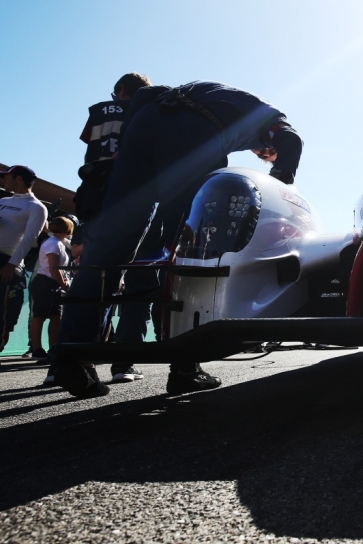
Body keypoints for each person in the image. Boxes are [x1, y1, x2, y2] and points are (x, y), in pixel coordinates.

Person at [54, 81, 304, 399]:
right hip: (192, 133)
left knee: (109, 246)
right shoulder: (268, 116)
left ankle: (71, 356)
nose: (263, 156)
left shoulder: (216, 93)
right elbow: (292, 139)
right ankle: (186, 368)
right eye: (267, 155)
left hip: (143, 124)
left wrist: (125, 145)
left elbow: (145, 94)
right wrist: (282, 176)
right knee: (189, 248)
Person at [76, 73, 153, 384]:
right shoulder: (150, 112)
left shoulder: (98, 110)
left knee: (94, 276)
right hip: (134, 195)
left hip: (95, 191)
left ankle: (71, 360)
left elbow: (87, 142)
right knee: (140, 278)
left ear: (119, 90)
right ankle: (124, 362)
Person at [0, 166, 48, 353]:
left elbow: (29, 239)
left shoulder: (36, 206)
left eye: (6, 177)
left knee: (4, 312)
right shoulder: (3, 200)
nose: (3, 180)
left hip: (7, 262)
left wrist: (11, 264)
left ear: (18, 179)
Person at [29, 217, 73, 367]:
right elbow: (54, 268)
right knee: (40, 315)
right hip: (45, 282)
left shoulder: (58, 243)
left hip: (53, 284)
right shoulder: (52, 244)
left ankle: (53, 348)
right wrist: (64, 284)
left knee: (56, 316)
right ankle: (37, 350)